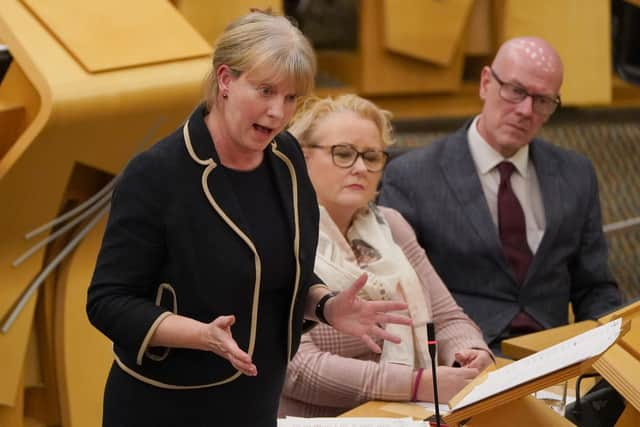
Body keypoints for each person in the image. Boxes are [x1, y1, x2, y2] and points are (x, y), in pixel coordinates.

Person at [86, 12, 411, 427]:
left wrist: (326, 305)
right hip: (165, 406)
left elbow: (279, 269)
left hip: (255, 401)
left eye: (292, 98)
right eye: (265, 91)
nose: (278, 113)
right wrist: (200, 335)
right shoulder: (156, 174)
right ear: (225, 80)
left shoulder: (288, 158)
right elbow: (107, 302)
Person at [379, 37, 621, 353]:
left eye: (543, 100)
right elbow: (400, 295)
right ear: (485, 83)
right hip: (465, 358)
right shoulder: (413, 176)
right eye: (516, 91)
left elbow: (595, 288)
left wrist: (607, 354)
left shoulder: (576, 174)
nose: (525, 110)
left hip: (556, 358)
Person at [278, 95, 492, 418]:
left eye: (371, 156)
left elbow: (448, 318)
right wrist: (415, 383)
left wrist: (471, 352)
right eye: (344, 154)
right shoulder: (279, 235)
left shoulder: (391, 225)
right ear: (303, 158)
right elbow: (299, 369)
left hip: (406, 414)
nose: (360, 168)